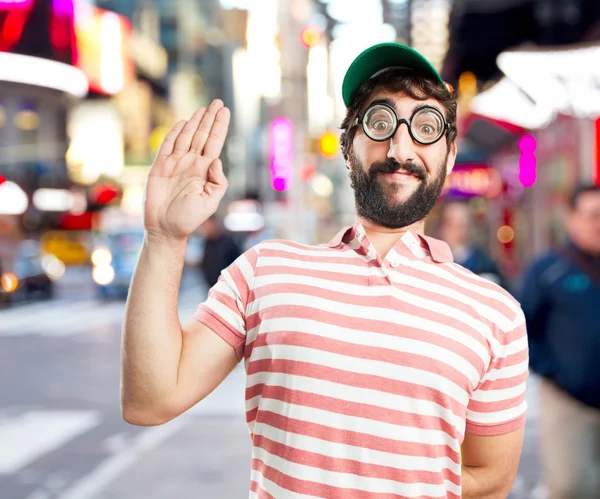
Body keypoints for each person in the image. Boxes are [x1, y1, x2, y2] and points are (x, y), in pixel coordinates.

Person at [121, 42, 528, 498]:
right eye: (379, 122)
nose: (400, 147)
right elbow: (150, 400)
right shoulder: (264, 272)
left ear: (449, 156)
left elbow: (491, 479)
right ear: (347, 145)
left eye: (426, 128)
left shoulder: (497, 315)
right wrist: (163, 237)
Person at [519, 184, 600, 499]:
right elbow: (522, 330)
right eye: (593, 216)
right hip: (567, 402)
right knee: (571, 486)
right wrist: (555, 372)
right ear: (572, 220)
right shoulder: (548, 270)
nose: (598, 224)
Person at [439, 200, 508, 288]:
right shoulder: (433, 262)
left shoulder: (484, 265)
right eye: (451, 224)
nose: (456, 231)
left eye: (460, 225)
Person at [197, 215, 241, 289]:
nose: (203, 229)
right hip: (212, 287)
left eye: (205, 225)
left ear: (213, 224)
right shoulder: (208, 242)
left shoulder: (228, 242)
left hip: (228, 287)